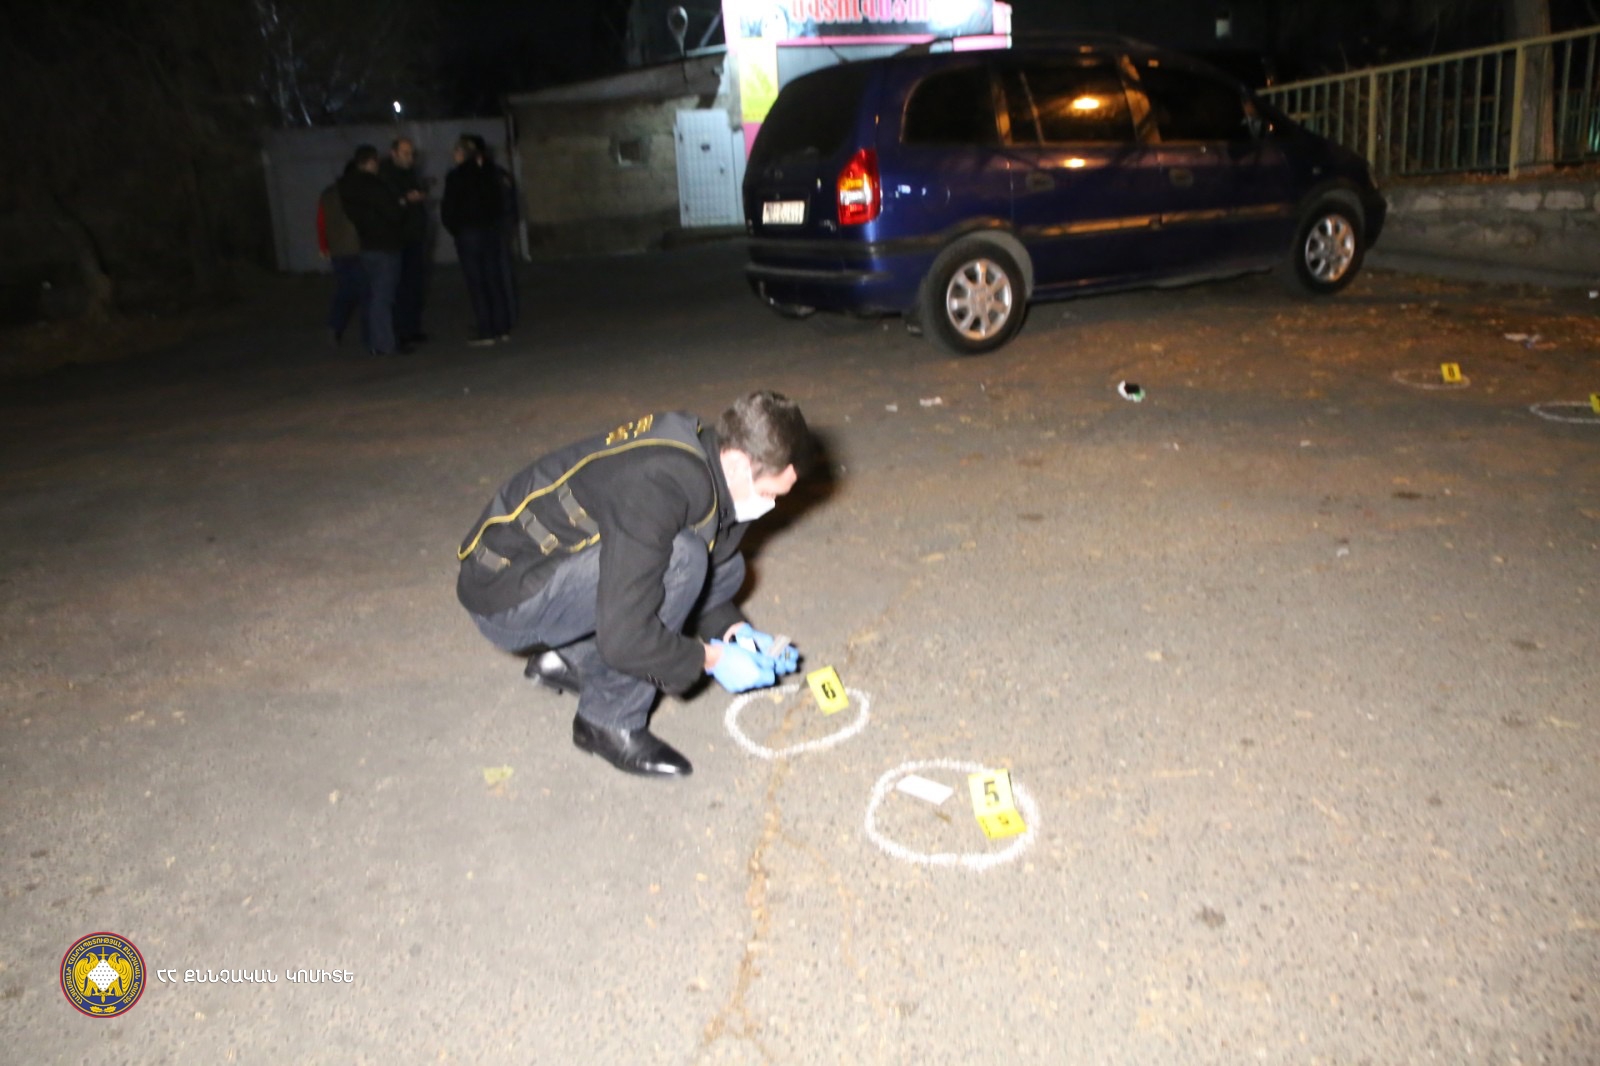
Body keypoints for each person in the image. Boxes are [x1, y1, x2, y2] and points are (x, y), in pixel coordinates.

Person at [457, 391, 812, 778]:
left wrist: (733, 631)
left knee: (726, 568)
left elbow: (712, 574)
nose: (770, 504)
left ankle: (571, 658)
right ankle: (607, 720)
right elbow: (626, 637)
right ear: (741, 463)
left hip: (553, 569)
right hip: (506, 592)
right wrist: (712, 659)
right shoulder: (659, 482)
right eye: (768, 493)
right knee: (683, 559)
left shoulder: (716, 463)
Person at [440, 134, 515, 346]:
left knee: (477, 283)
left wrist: (456, 229)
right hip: (490, 232)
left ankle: (486, 329)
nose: (453, 155)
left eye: (456, 151)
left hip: (469, 234)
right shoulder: (491, 173)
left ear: (463, 153)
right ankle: (501, 327)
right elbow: (501, 203)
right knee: (494, 279)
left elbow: (449, 208)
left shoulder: (456, 176)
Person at [337, 144, 407, 356]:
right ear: (371, 161)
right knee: (383, 297)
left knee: (373, 295)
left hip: (367, 244)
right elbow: (393, 213)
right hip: (385, 244)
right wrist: (401, 204)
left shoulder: (348, 186)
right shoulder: (375, 185)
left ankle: (374, 340)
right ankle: (384, 343)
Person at [379, 136, 430, 345]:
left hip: (414, 236)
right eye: (405, 153)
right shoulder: (386, 175)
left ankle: (411, 328)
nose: (410, 157)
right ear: (394, 153)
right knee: (400, 287)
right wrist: (406, 199)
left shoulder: (410, 173)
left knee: (414, 285)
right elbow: (390, 204)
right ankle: (401, 331)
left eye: (411, 153)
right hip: (398, 238)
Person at [316, 157, 366, 346]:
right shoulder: (359, 191)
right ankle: (370, 333)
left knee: (345, 289)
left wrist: (324, 246)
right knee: (366, 292)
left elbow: (321, 222)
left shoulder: (328, 194)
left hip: (337, 250)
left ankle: (334, 326)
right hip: (358, 248)